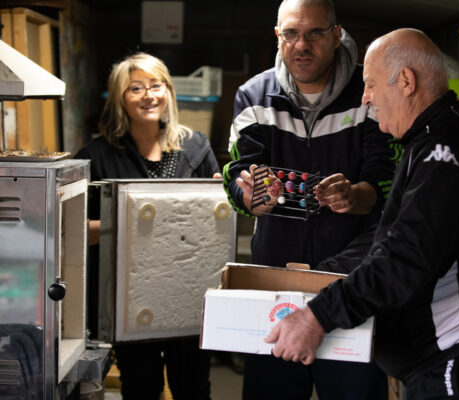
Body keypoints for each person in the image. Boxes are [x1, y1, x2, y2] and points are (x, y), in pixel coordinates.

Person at [266, 28, 459, 400]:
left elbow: (406, 256)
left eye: (370, 84)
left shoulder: (446, 150)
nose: (365, 98)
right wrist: (321, 277)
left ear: (407, 82)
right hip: (452, 360)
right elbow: (389, 237)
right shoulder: (427, 141)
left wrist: (319, 315)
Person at [222, 0, 397, 398]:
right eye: (291, 34)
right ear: (278, 36)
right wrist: (250, 198)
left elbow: (387, 177)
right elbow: (236, 173)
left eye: (315, 33)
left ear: (336, 35)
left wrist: (357, 195)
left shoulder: (367, 92)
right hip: (276, 283)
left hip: (351, 283)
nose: (301, 45)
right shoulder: (254, 96)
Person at [74, 52, 220, 400]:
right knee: (141, 388)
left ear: (168, 91)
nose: (148, 95)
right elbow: (74, 233)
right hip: (130, 298)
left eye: (156, 85)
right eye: (135, 88)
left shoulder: (196, 147)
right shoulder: (97, 156)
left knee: (194, 389)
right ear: (119, 98)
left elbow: (217, 219)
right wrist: (123, 228)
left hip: (188, 293)